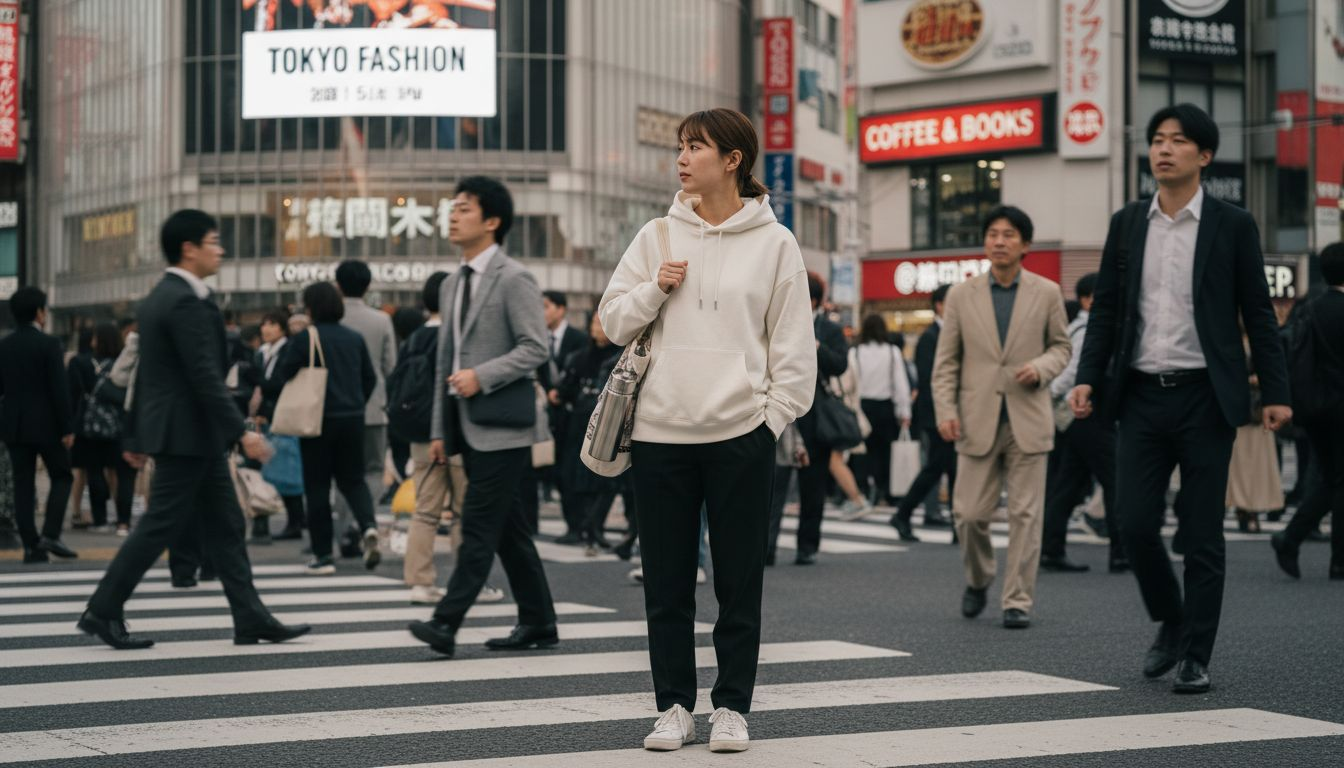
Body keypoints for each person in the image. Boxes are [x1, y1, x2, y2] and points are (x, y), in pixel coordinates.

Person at [598, 108, 816, 753]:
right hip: (661, 433)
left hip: (740, 436)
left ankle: (732, 709)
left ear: (733, 160)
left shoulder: (776, 243)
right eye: (679, 147)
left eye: (695, 147)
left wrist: (767, 420)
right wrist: (653, 292)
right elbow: (612, 320)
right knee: (665, 582)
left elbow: (793, 349)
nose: (682, 158)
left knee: (738, 581)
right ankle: (673, 707)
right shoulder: (657, 236)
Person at [1070, 104, 1292, 694]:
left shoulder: (1232, 224)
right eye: (1157, 140)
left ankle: (1196, 654)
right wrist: (1087, 376)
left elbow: (1258, 315)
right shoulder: (1128, 222)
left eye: (1178, 141)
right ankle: (1170, 617)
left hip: (1205, 398)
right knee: (1135, 524)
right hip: (1140, 395)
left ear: (1205, 155)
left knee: (1201, 533)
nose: (1164, 149)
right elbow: (1109, 311)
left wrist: (1274, 391)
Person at [79, 209, 309, 649]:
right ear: (189, 248)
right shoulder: (185, 300)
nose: (220, 249)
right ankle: (103, 608)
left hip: (186, 433)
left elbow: (149, 375)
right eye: (213, 241)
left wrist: (135, 434)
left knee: (224, 525)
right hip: (188, 434)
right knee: (160, 524)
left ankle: (249, 616)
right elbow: (202, 374)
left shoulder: (159, 297)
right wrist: (241, 431)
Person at [407, 176, 559, 659]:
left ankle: (446, 622)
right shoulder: (453, 283)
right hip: (466, 426)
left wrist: (482, 375)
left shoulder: (514, 278)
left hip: (505, 427)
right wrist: (438, 431)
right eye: (452, 207)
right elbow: (442, 365)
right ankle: (539, 621)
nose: (453, 215)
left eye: (464, 208)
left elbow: (535, 348)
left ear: (492, 221)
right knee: (510, 531)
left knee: (477, 527)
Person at [933, 205, 1071, 631]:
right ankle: (978, 578)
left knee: (1026, 516)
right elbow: (947, 362)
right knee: (969, 514)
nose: (998, 241)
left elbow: (1063, 348)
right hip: (975, 417)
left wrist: (1043, 368)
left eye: (1008, 234)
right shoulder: (961, 295)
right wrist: (946, 410)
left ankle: (1018, 601)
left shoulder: (1047, 293)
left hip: (1029, 415)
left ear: (1024, 245)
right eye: (992, 233)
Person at [275, 281, 381, 575]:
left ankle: (323, 555)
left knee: (318, 486)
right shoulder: (354, 338)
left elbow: (284, 372)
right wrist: (356, 402)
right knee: (354, 480)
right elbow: (369, 378)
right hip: (352, 418)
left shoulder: (306, 338)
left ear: (310, 308)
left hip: (317, 421)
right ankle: (369, 527)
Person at [1041, 273, 1124, 573]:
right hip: (1087, 412)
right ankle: (1121, 551)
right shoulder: (1087, 329)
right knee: (1115, 479)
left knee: (1068, 483)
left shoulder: (1077, 327)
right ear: (1089, 299)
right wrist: (1054, 395)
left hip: (1077, 417)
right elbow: (1073, 371)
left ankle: (1051, 548)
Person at [1271, 241, 1344, 581]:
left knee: (1331, 478)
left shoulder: (1310, 308)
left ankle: (1290, 538)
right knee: (1338, 481)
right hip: (1341, 405)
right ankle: (1338, 560)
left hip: (1315, 406)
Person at [396, 271, 470, 605]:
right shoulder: (458, 336)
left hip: (421, 434)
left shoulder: (412, 338)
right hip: (457, 433)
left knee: (425, 512)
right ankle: (467, 582)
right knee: (462, 511)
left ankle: (420, 582)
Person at [0, 287, 78, 564]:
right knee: (62, 475)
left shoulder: (4, 346)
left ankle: (32, 546)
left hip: (14, 425)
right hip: (47, 425)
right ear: (39, 313)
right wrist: (67, 427)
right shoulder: (49, 344)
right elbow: (59, 389)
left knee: (23, 484)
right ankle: (51, 533)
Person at [335, 259, 397, 552]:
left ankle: (342, 529)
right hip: (373, 407)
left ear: (338, 285)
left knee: (341, 472)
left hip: (335, 410)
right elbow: (390, 367)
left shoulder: (330, 320)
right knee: (372, 470)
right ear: (368, 286)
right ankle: (362, 524)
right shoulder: (381, 321)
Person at [555, 312, 629, 554]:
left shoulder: (620, 356)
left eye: (602, 322)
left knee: (606, 478)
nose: (599, 328)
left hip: (607, 423)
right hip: (578, 422)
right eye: (595, 323)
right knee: (574, 475)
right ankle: (579, 526)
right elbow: (565, 389)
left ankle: (594, 526)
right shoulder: (578, 358)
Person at [793, 272, 851, 565]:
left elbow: (840, 364)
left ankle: (807, 546)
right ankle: (764, 548)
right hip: (784, 413)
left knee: (813, 485)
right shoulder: (782, 319)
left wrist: (817, 348)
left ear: (813, 300)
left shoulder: (828, 328)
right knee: (773, 483)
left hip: (817, 416)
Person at [68, 322, 136, 535]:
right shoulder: (123, 363)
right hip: (120, 425)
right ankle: (122, 521)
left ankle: (100, 520)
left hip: (90, 426)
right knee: (121, 474)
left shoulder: (79, 362)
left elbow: (71, 395)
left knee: (94, 472)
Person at [539, 290, 589, 543]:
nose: (542, 312)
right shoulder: (538, 340)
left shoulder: (578, 339)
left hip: (574, 417)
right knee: (556, 473)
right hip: (550, 418)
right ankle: (572, 524)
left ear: (561, 309)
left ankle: (579, 525)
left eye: (546, 306)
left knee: (573, 472)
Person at [850, 314, 912, 512]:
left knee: (862, 452)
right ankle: (886, 491)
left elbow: (850, 383)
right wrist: (905, 412)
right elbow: (900, 384)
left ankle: (864, 490)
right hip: (885, 407)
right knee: (885, 453)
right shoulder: (892, 352)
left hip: (862, 406)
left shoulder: (856, 352)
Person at [256, 309, 305, 541]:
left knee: (287, 471)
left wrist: (259, 384)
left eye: (273, 324)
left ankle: (296, 520)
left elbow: (279, 382)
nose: (266, 329)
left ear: (283, 328)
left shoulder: (287, 349)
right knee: (278, 469)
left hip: (285, 417)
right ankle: (292, 520)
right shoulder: (264, 353)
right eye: (264, 324)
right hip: (271, 418)